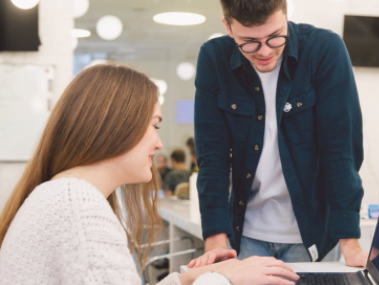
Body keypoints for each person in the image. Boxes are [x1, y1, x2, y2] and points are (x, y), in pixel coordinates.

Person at [0, 64, 299, 285]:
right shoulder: (77, 205)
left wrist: (194, 277)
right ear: (117, 126)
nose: (158, 143)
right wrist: (226, 280)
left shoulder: (63, 195)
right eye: (154, 126)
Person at [190, 0, 379, 271]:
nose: (264, 51)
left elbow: (340, 150)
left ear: (286, 14)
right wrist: (215, 243)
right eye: (249, 42)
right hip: (245, 235)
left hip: (311, 235)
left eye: (275, 37)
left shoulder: (323, 50)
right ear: (227, 27)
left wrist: (350, 244)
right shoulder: (214, 58)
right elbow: (212, 155)